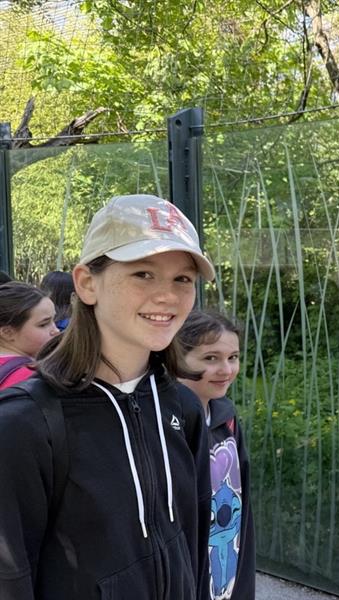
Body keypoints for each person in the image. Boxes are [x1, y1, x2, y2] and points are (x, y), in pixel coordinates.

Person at [0, 194, 217, 599]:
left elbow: (196, 547)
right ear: (86, 283)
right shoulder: (25, 424)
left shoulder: (182, 408)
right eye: (143, 274)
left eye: (183, 279)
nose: (168, 295)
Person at [177, 310, 255, 600]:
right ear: (175, 358)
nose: (226, 369)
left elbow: (242, 510)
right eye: (210, 358)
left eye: (233, 357)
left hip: (226, 568)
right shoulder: (164, 423)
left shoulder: (227, 417)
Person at [0, 281, 58, 388]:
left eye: (54, 320)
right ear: (7, 333)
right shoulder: (31, 380)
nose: (56, 330)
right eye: (43, 324)